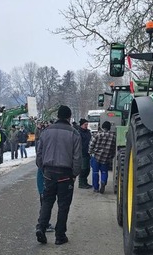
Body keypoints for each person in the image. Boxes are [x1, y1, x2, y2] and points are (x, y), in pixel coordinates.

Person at [35, 105, 81, 245]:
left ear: (57, 116)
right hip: (65, 174)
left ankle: (41, 227)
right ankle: (60, 236)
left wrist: (43, 169)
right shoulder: (74, 133)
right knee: (63, 205)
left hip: (48, 172)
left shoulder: (46, 132)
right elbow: (77, 157)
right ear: (69, 117)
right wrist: (74, 174)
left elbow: (39, 154)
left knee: (47, 202)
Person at [88, 121, 116, 194]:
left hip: (96, 156)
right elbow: (113, 148)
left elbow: (92, 144)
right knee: (104, 172)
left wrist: (90, 152)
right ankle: (103, 182)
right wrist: (112, 156)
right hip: (106, 157)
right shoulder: (113, 136)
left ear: (102, 126)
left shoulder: (97, 134)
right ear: (109, 127)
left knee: (95, 172)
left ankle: (96, 188)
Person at [77, 118, 92, 189]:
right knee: (83, 169)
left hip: (88, 152)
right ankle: (81, 183)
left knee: (87, 169)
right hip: (82, 153)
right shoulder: (79, 133)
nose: (86, 126)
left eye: (87, 124)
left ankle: (85, 182)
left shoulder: (88, 132)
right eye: (85, 124)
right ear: (81, 125)